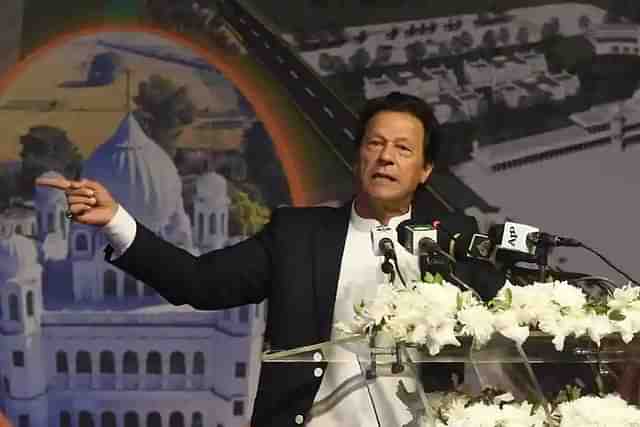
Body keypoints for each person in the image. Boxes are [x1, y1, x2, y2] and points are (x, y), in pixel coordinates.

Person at [37, 92, 503, 426]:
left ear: (424, 171)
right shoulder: (298, 236)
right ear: (357, 157)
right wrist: (117, 219)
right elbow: (197, 283)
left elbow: (504, 320)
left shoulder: (454, 239)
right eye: (375, 144)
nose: (386, 158)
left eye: (403, 149)